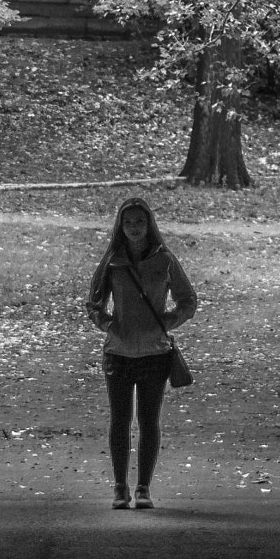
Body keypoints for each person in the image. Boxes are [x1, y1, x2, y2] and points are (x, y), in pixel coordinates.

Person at [85, 197, 198, 509]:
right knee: (120, 420)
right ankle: (120, 488)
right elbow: (93, 302)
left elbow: (188, 299)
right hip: (118, 353)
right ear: (120, 227)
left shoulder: (164, 260)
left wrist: (171, 319)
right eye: (128, 223)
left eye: (139, 222)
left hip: (154, 354)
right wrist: (107, 323)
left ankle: (143, 488)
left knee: (149, 420)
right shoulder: (112, 261)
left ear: (150, 225)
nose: (134, 228)